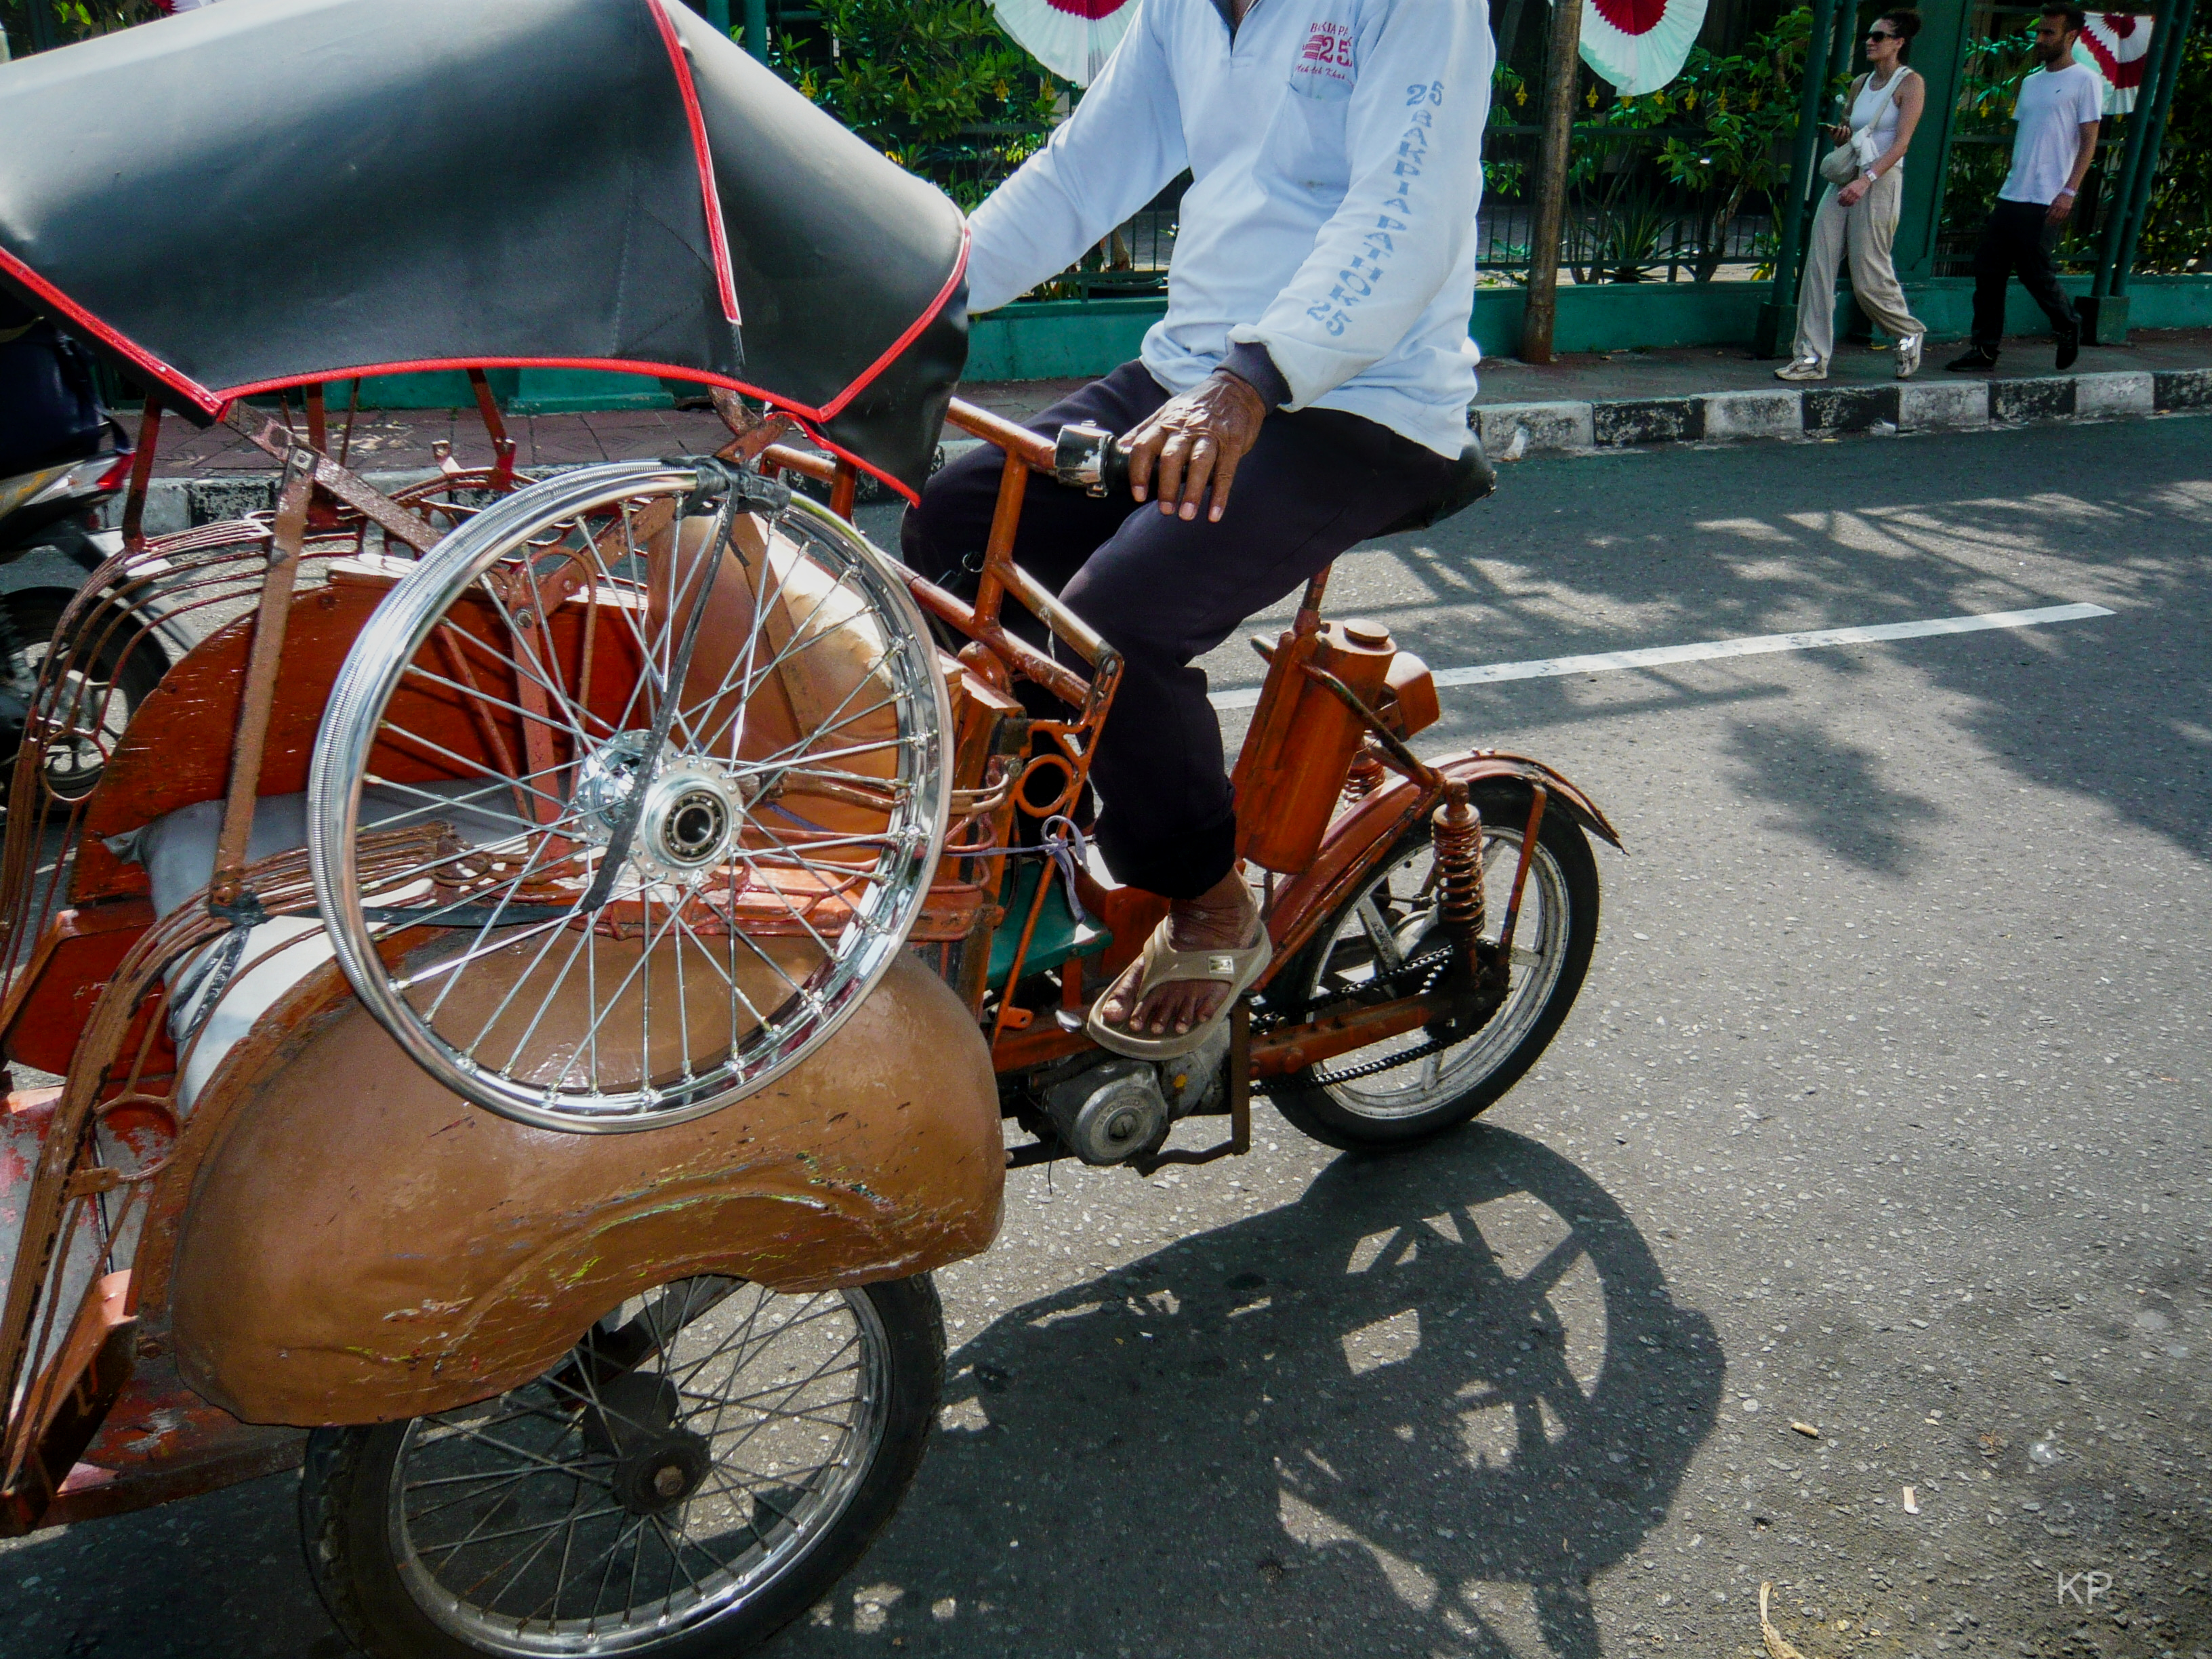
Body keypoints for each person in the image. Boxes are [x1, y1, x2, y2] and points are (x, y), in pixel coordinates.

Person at [904, 0, 1491, 1057]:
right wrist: (904, 310)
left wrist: (1253, 377)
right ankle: (1032, 845)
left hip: (1359, 395)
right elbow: (1081, 173)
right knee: (958, 525)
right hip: (1193, 369)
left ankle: (1209, 900)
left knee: (1115, 625)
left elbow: (1412, 206)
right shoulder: (1184, 9)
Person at [1947, 4, 2102, 372]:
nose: (2041, 39)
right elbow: (2027, 136)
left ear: (2071, 36)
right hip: (2013, 193)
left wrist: (2070, 191)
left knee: (2036, 274)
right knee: (1988, 273)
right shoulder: (2031, 81)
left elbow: (2088, 142)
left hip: (2049, 197)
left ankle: (2069, 324)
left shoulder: (2085, 80)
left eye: (2050, 33)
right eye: (2040, 32)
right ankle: (1984, 349)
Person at [1775, 11, 1928, 382]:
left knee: (1868, 276)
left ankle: (1908, 332)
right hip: (1847, 177)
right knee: (1818, 264)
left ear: (1898, 42)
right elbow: (1853, 127)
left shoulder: (1911, 83)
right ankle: (1810, 358)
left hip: (1880, 180)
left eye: (1879, 36)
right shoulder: (1861, 82)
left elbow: (1902, 143)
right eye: (1868, 35)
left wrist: (1867, 180)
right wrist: (1843, 136)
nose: (1870, 41)